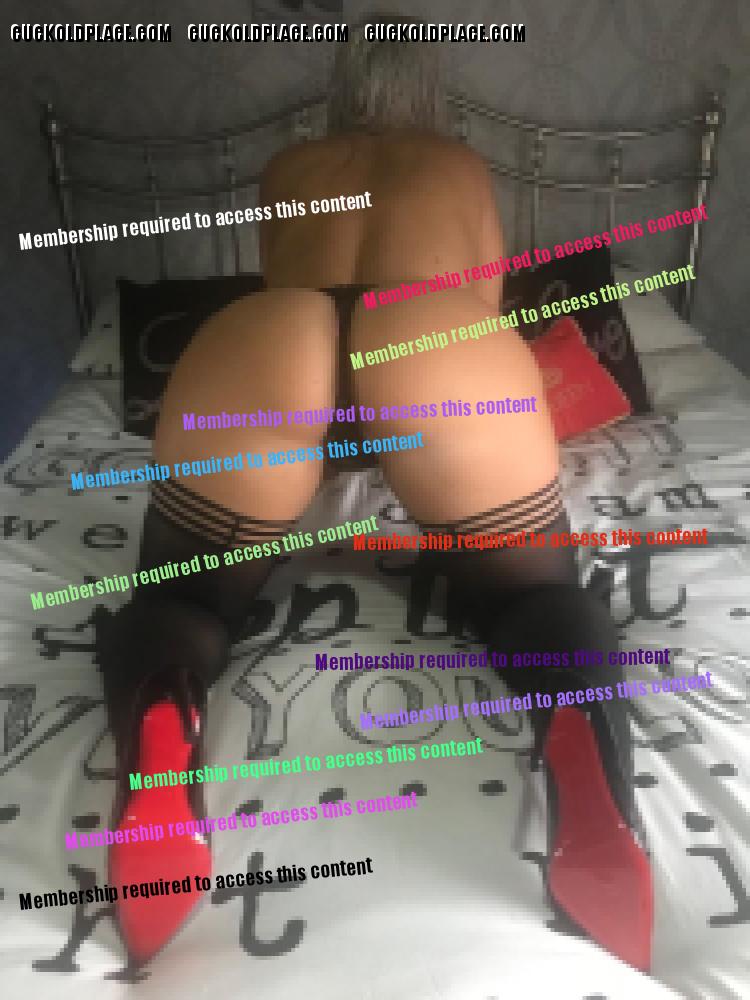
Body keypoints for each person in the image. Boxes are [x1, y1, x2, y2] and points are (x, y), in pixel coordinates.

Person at [97, 14, 653, 969]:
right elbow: (480, 307)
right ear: (427, 83)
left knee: (181, 597)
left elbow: (304, 294)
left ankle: (161, 716)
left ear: (341, 83)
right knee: (530, 598)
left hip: (278, 335)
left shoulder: (290, 167)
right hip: (434, 339)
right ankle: (582, 732)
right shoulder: (459, 165)